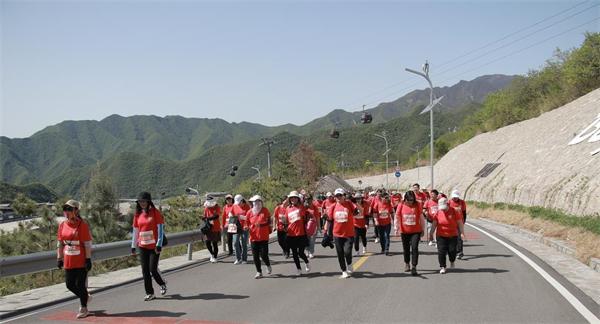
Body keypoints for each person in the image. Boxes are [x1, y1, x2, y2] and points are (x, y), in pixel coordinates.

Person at [57, 199, 93, 319]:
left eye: (69, 209)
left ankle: (84, 308)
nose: (66, 211)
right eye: (65, 209)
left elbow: (87, 244)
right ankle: (85, 297)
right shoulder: (62, 225)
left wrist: (88, 259)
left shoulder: (82, 225)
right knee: (69, 285)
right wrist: (59, 258)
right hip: (68, 260)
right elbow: (60, 243)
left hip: (81, 260)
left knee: (80, 284)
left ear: (76, 211)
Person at [131, 192, 167, 301]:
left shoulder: (155, 213)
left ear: (148, 201)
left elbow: (160, 230)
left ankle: (162, 283)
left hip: (154, 246)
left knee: (153, 269)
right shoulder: (137, 214)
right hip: (142, 246)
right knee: (145, 270)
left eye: (144, 201)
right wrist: (133, 246)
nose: (142, 203)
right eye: (140, 201)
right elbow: (135, 231)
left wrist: (159, 244)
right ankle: (150, 293)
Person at [429, 197, 465, 274]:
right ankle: (442, 266)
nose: (443, 209)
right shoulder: (438, 212)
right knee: (441, 252)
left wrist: (462, 233)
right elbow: (434, 224)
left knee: (452, 251)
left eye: (444, 208)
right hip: (441, 235)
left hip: (452, 235)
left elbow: (460, 223)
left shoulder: (454, 211)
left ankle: (452, 261)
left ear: (448, 204)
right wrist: (431, 233)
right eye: (441, 208)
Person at [327, 188, 358, 278]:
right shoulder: (333, 206)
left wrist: (355, 203)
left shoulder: (349, 204)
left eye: (340, 195)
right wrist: (326, 232)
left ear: (344, 196)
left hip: (349, 233)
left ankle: (349, 263)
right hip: (337, 234)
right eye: (337, 196)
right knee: (340, 253)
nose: (339, 197)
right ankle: (344, 271)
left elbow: (357, 213)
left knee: (347, 252)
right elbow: (329, 220)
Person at [395, 191, 426, 276]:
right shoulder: (401, 205)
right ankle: (407, 263)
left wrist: (423, 229)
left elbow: (421, 218)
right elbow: (397, 217)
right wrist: (396, 228)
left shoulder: (417, 205)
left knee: (415, 247)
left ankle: (414, 267)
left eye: (412, 200)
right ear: (405, 199)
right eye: (409, 200)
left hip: (416, 231)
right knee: (406, 248)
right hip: (404, 231)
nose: (410, 202)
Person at [285, 191, 310, 276]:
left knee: (301, 253)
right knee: (294, 253)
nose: (293, 199)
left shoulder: (301, 207)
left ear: (298, 199)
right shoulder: (287, 209)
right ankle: (299, 269)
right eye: (291, 198)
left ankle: (306, 262)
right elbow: (286, 221)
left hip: (301, 234)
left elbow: (304, 217)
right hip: (291, 234)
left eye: (295, 197)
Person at [247, 195, 272, 279]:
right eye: (255, 202)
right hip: (254, 237)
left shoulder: (265, 210)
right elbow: (246, 223)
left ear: (261, 202)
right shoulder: (249, 212)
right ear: (253, 203)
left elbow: (269, 221)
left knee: (264, 255)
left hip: (264, 237)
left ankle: (268, 265)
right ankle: (259, 271)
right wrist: (246, 227)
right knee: (255, 256)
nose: (257, 203)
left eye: (259, 201)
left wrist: (264, 225)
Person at [231, 194, 249, 264]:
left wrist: (244, 218)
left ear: (242, 201)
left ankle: (244, 259)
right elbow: (231, 214)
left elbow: (250, 217)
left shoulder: (247, 207)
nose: (238, 204)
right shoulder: (234, 206)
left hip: (245, 226)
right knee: (235, 243)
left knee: (244, 243)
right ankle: (238, 258)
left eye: (239, 203)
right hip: (236, 226)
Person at [203, 195, 222, 263]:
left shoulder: (217, 207)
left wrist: (208, 218)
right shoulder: (206, 208)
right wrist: (205, 219)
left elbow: (216, 216)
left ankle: (215, 257)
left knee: (214, 243)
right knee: (207, 242)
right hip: (209, 228)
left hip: (215, 228)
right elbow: (205, 217)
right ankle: (212, 254)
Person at [449, 190, 468, 259]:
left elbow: (464, 212)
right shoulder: (449, 202)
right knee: (452, 238)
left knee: (459, 238)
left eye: (456, 197)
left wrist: (463, 222)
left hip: (459, 222)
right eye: (454, 197)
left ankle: (460, 252)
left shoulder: (462, 202)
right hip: (451, 222)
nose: (455, 198)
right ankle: (453, 251)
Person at [304, 194, 319, 259]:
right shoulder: (304, 207)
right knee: (306, 240)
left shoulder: (315, 207)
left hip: (313, 226)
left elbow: (317, 217)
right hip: (305, 226)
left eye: (309, 199)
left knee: (312, 240)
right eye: (306, 199)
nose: (308, 200)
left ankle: (311, 252)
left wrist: (318, 227)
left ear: (311, 199)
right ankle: (307, 251)